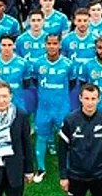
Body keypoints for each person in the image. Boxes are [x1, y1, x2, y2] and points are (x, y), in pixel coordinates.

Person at [29, 33, 75, 182]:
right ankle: (41, 168)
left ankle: (68, 168)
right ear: (45, 45)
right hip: (44, 109)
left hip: (62, 109)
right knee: (41, 137)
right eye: (49, 43)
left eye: (55, 43)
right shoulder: (38, 63)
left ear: (60, 45)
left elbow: (72, 83)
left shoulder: (68, 64)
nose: (52, 46)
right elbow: (35, 81)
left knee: (66, 138)